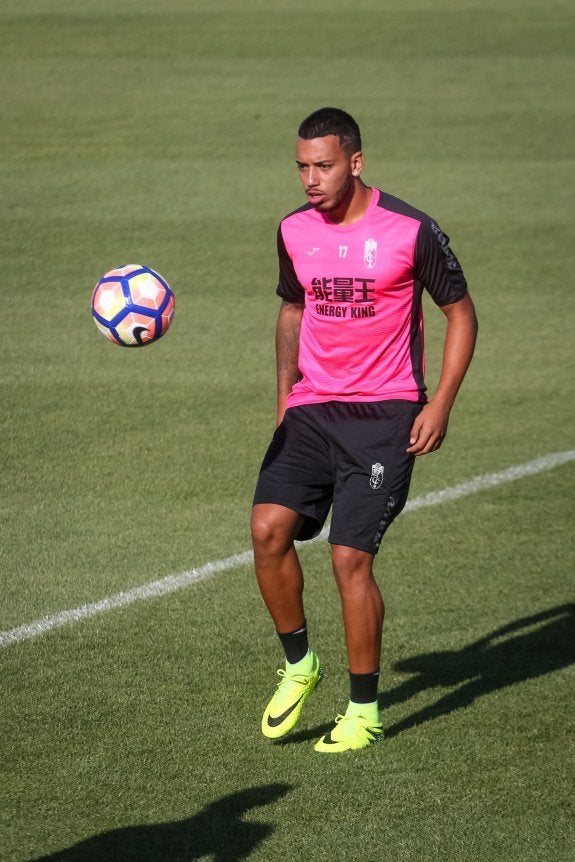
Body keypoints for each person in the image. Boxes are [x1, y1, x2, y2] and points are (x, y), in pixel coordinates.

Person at [251, 107, 478, 753]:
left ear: (355, 162)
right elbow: (293, 309)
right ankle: (299, 664)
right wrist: (285, 399)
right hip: (313, 407)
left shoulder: (410, 230)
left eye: (322, 165)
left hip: (384, 412)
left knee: (349, 558)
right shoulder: (294, 230)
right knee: (268, 532)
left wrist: (439, 406)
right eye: (301, 166)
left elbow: (461, 315)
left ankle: (363, 710)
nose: (310, 179)